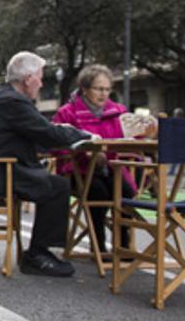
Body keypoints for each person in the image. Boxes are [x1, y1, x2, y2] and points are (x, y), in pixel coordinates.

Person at [0, 52, 95, 277]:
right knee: (57, 187)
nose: (42, 83)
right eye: (40, 77)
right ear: (27, 78)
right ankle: (37, 255)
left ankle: (41, 251)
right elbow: (47, 132)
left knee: (53, 183)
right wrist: (85, 136)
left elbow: (37, 132)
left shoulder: (4, 97)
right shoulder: (12, 101)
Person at [51, 65, 147, 253]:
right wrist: (82, 153)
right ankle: (99, 245)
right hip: (79, 172)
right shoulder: (67, 113)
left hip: (113, 168)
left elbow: (136, 142)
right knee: (98, 192)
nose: (103, 94)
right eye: (98, 89)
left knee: (125, 192)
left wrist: (140, 134)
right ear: (85, 89)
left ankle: (123, 245)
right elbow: (56, 145)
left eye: (107, 89)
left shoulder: (119, 112)